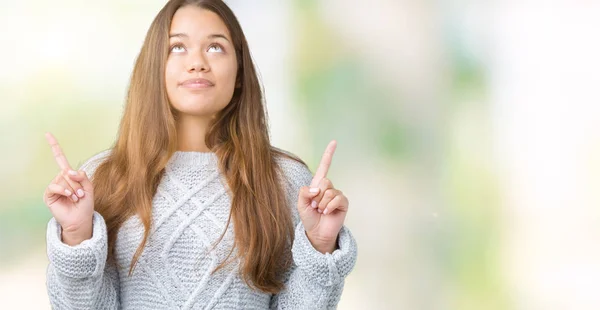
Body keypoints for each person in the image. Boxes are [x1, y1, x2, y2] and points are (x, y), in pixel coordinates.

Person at [43, 0, 357, 309]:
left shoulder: (284, 180)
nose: (197, 62)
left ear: (239, 71)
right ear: (155, 66)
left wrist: (320, 246)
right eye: (178, 47)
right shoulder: (104, 178)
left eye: (216, 47)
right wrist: (76, 235)